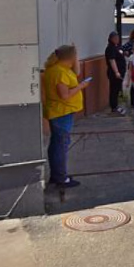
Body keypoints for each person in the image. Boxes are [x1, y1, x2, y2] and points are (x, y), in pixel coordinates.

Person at [43, 45, 91, 187]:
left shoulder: (57, 68)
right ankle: (61, 178)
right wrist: (81, 86)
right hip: (62, 113)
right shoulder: (60, 72)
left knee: (57, 144)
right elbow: (64, 95)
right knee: (61, 145)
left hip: (59, 112)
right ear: (70, 57)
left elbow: (76, 71)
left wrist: (75, 55)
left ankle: (57, 174)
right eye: (75, 56)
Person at [105, 31, 127, 115]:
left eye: (117, 37)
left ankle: (116, 105)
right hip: (114, 73)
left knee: (117, 89)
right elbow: (112, 60)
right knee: (114, 90)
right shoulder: (110, 48)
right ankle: (113, 107)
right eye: (115, 38)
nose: (117, 39)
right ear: (111, 39)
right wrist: (116, 72)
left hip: (121, 72)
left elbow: (122, 52)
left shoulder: (117, 46)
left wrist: (125, 53)